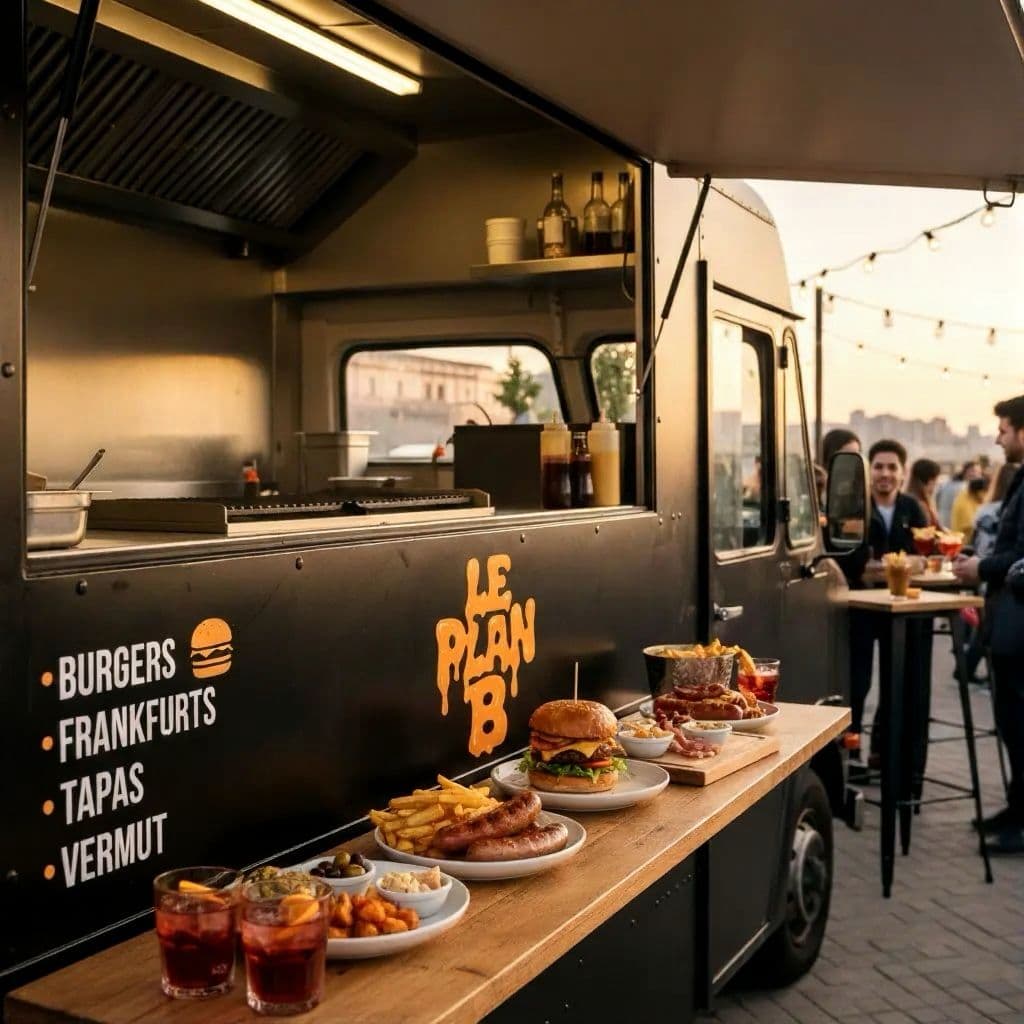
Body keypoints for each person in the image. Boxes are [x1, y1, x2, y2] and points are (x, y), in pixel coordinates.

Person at [953, 396, 1024, 855]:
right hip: (1008, 616)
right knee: (1011, 720)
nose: (998, 438)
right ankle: (1017, 810)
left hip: (1019, 622)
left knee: (1019, 721)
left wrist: (981, 567)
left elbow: (1019, 553)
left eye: (1004, 429)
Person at [848, 439, 928, 767]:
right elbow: (850, 562)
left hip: (902, 612)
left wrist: (878, 567)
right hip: (862, 610)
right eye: (878, 466)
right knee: (857, 683)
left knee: (898, 685)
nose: (885, 473)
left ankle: (885, 755)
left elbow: (926, 556)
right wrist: (894, 565)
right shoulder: (855, 507)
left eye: (892, 467)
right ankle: (851, 754)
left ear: (903, 472)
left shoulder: (913, 508)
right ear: (869, 471)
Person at [936, 460, 981, 529]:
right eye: (974, 471)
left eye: (979, 472)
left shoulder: (946, 484)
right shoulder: (966, 488)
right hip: (956, 525)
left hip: (942, 522)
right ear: (966, 471)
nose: (978, 475)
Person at [906, 458, 941, 528]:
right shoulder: (919, 504)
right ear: (930, 481)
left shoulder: (908, 499)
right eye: (936, 480)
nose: (937, 484)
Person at [951, 476, 986, 542]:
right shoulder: (964, 501)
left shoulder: (971, 498)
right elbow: (969, 526)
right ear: (979, 491)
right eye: (984, 492)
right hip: (963, 543)